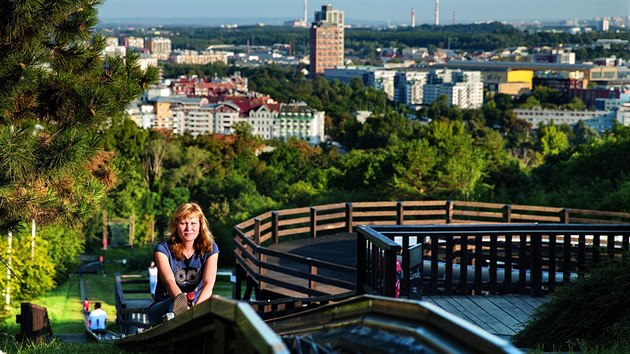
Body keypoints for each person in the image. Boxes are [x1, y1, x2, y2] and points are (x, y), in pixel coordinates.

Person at [147, 202, 219, 326]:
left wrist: (196, 311)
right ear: (176, 225)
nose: (188, 228)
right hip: (163, 307)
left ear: (200, 225)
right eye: (183, 223)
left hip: (197, 304)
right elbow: (169, 281)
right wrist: (182, 303)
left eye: (193, 223)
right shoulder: (163, 249)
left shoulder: (210, 249)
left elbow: (208, 284)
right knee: (175, 303)